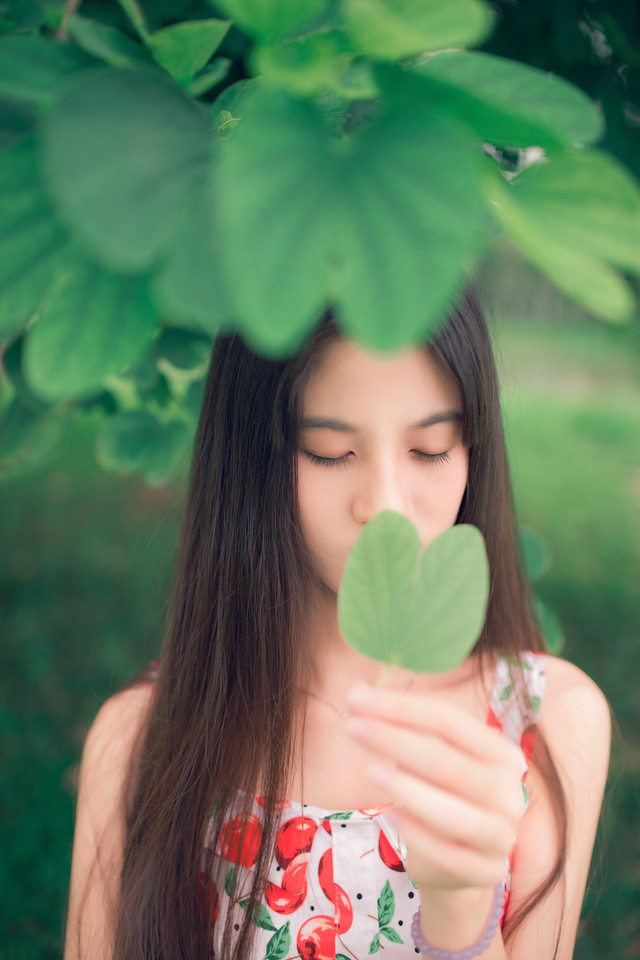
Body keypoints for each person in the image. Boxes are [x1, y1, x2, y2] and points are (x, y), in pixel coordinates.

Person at [63, 288, 611, 960]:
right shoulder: (142, 738)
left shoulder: (547, 723)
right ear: (250, 460)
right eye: (328, 450)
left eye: (432, 447)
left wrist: (461, 916)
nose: (385, 508)